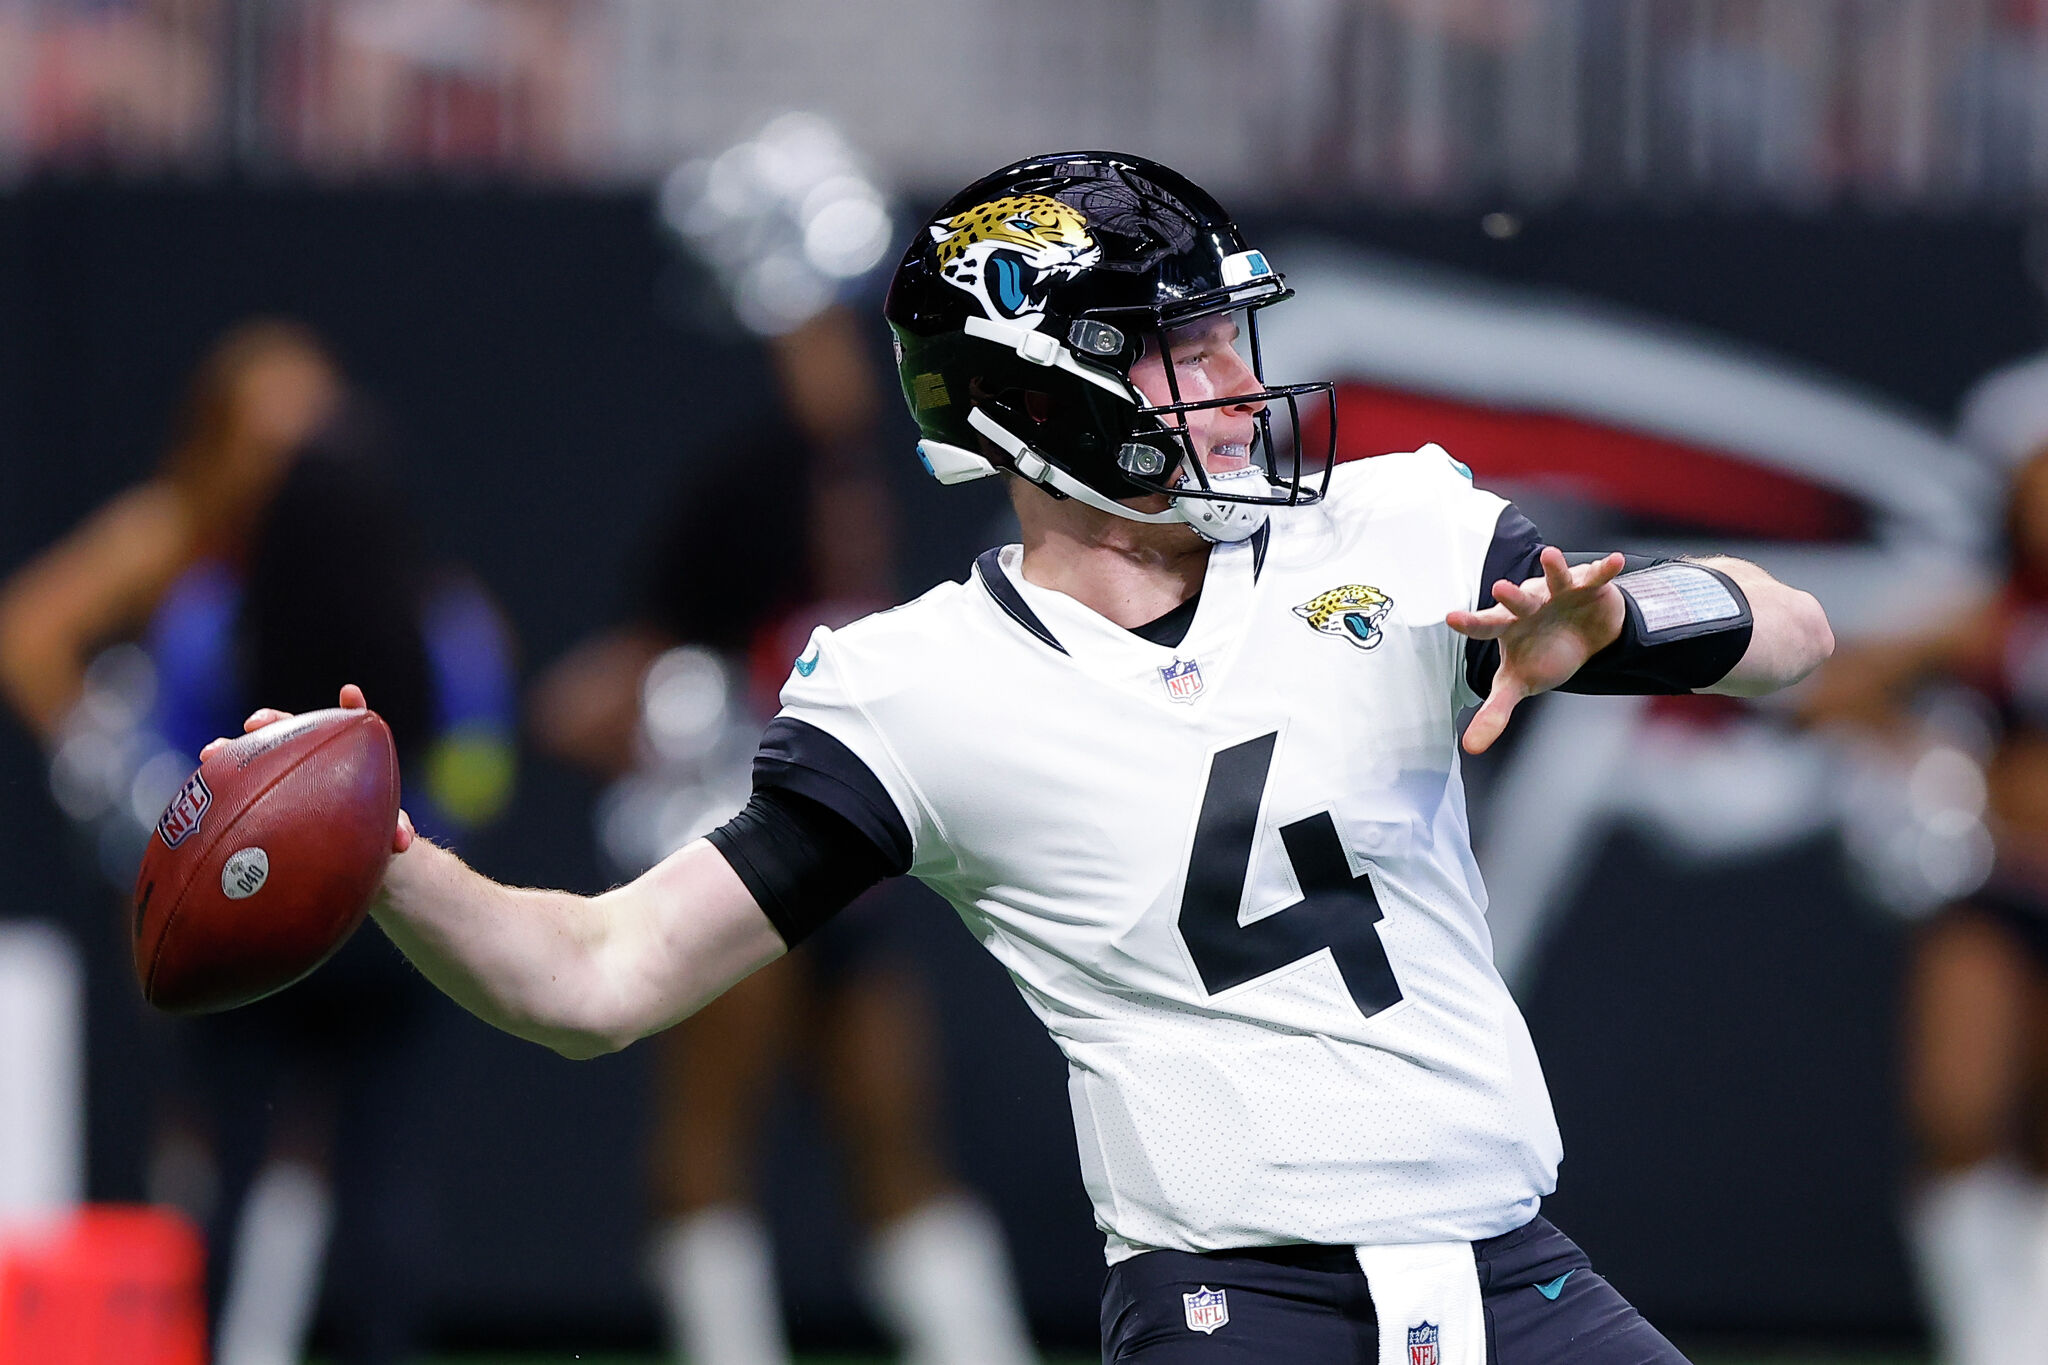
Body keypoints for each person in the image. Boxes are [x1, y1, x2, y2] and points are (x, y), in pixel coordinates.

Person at [226, 153, 1833, 1362]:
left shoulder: (1394, 525)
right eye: (1174, 347)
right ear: (1031, 394)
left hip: (1518, 1274)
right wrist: (384, 857)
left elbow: (1792, 629)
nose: (1231, 381)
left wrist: (1619, 632)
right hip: (1238, 1309)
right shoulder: (921, 688)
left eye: (1225, 337)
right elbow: (597, 975)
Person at [1, 319, 515, 1365]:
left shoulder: (283, 602)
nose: (291, 465)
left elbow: (467, 754)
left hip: (307, 902)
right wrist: (132, 790)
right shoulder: (193, 562)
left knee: (301, 1159)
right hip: (268, 897)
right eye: (268, 441)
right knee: (244, 1154)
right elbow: (35, 635)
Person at [1797, 352, 2048, 1365]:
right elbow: (1829, 690)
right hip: (1999, 887)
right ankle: (1984, 1339)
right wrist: (1938, 770)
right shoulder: (1983, 617)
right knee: (1956, 1111)